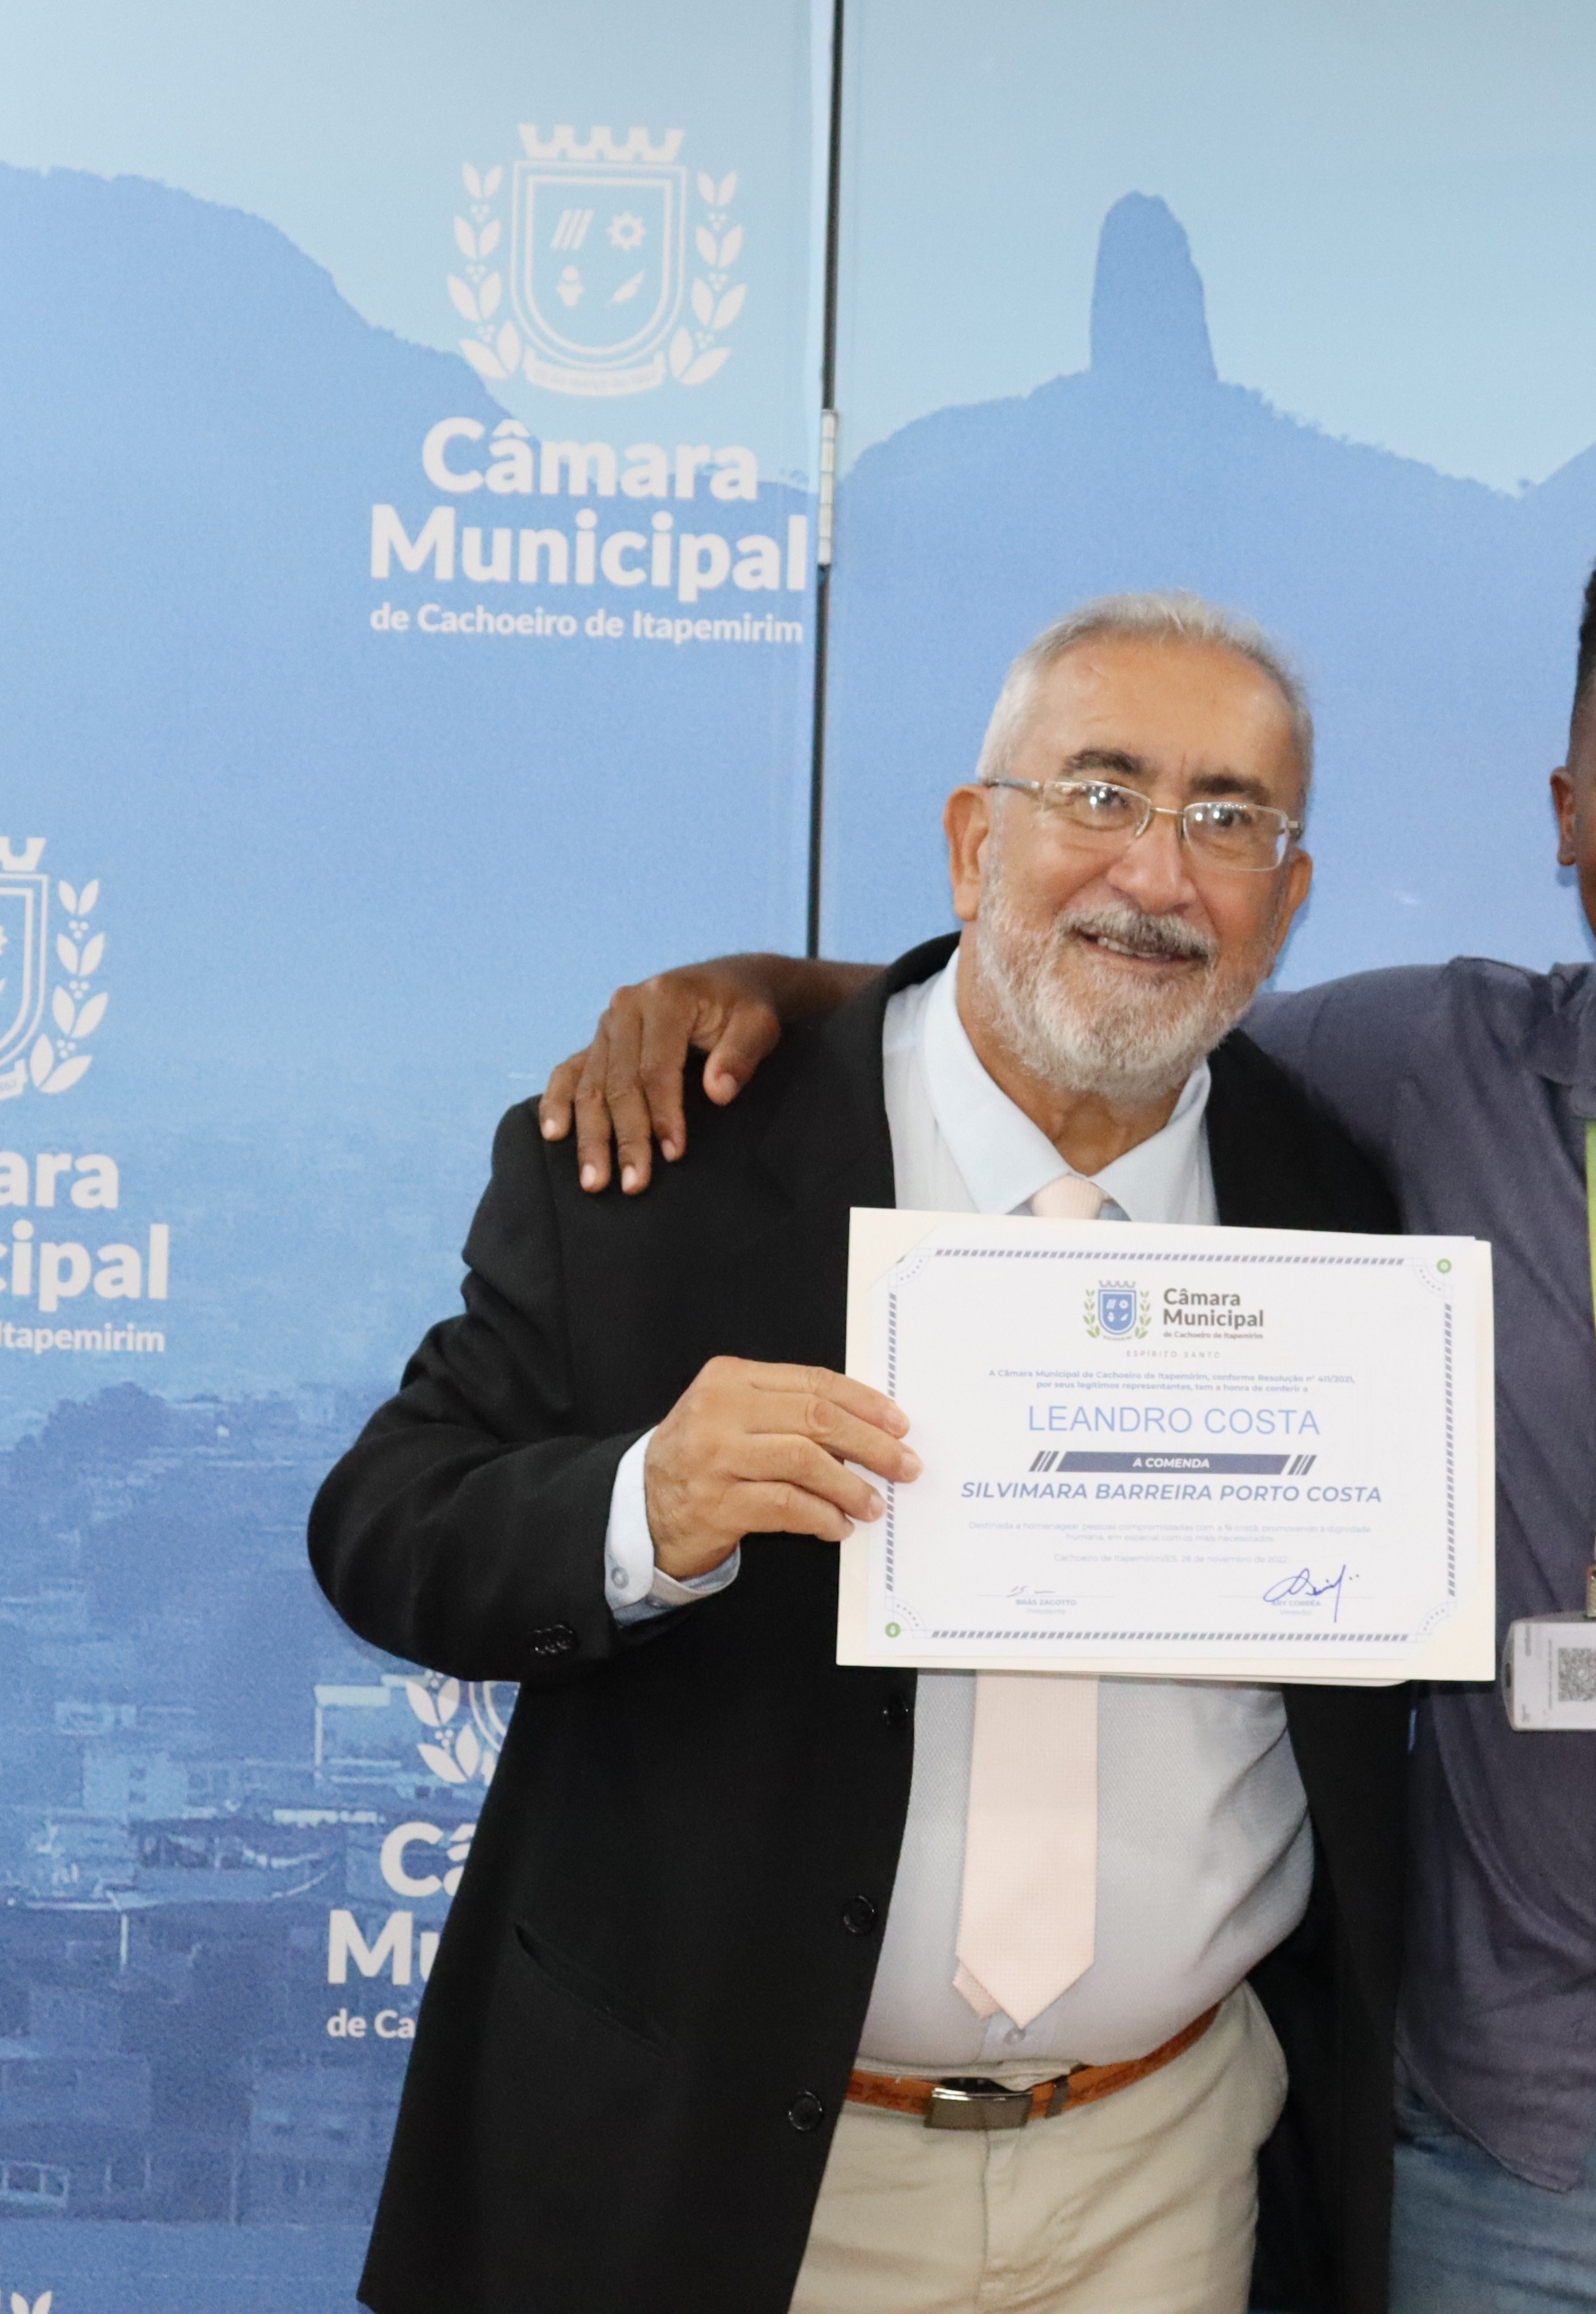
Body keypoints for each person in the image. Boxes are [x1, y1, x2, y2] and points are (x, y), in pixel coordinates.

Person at [543, 498, 1596, 2314]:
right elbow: (1099, 988)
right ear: (1565, 809)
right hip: (1487, 2180)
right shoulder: (1419, 1069)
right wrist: (765, 994)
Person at [311, 594, 1428, 2314]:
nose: (1155, 872)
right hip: (728, 2177)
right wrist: (641, 1506)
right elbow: (386, 1524)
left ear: (1285, 903)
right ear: (975, 841)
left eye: (1227, 820)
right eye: (1100, 793)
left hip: (1170, 2174)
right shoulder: (668, 1153)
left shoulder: (1352, 1208)